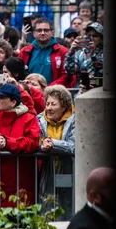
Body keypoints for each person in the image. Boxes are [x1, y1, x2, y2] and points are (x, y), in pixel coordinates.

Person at [37, 85, 76, 219]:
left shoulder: (75, 120)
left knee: (67, 207)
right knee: (47, 207)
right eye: (47, 104)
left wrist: (53, 144)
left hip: (68, 170)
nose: (49, 108)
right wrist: (42, 144)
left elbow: (73, 145)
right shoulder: (39, 120)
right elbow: (36, 140)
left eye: (53, 104)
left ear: (64, 106)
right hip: (47, 172)